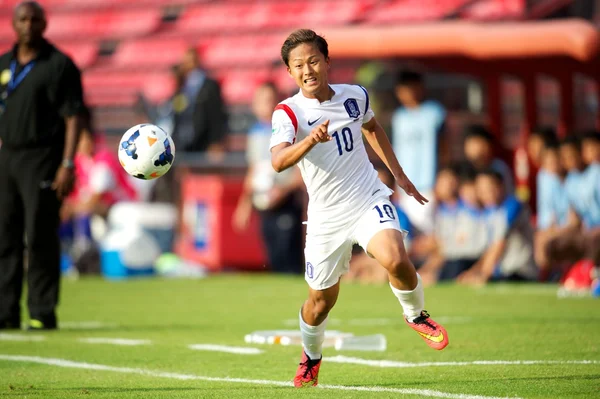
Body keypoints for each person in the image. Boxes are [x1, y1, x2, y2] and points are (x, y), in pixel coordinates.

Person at [269, 29, 449, 388]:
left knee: (396, 257)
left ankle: (415, 315)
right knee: (320, 303)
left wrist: (399, 175)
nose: (308, 70)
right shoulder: (288, 112)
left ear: (327, 61)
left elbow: (372, 128)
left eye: (313, 60)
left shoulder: (355, 95)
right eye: (299, 65)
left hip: (367, 197)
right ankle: (311, 358)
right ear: (290, 72)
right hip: (325, 218)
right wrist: (309, 141)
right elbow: (277, 162)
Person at [0, 1, 84, 330]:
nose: (29, 24)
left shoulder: (59, 64)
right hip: (8, 157)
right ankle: (5, 311)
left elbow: (73, 116)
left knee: (39, 235)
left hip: (43, 157)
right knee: (5, 236)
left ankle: (41, 310)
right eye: (23, 18)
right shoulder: (5, 64)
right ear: (13, 23)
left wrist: (67, 162)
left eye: (35, 19)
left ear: (45, 24)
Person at [233, 82, 305, 274]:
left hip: (287, 201)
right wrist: (245, 204)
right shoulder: (255, 133)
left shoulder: (289, 129)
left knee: (289, 258)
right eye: (260, 100)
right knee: (273, 257)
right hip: (264, 202)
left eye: (269, 100)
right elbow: (254, 169)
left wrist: (282, 191)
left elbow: (301, 169)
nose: (264, 105)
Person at [458, 170, 538, 285]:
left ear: (501, 186)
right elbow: (491, 248)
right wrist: (473, 272)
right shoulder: (491, 212)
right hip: (504, 272)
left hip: (521, 272)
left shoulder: (512, 206)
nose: (486, 194)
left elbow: (499, 244)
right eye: (481, 191)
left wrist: (483, 275)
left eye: (490, 189)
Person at [390, 70, 446, 234]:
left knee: (430, 234)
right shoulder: (398, 117)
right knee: (408, 237)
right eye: (403, 89)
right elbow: (395, 151)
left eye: (411, 88)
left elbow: (444, 147)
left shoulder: (435, 113)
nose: (407, 93)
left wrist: (441, 178)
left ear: (420, 88)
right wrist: (396, 184)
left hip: (428, 185)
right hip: (404, 187)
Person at [171, 48, 228, 156]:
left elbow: (217, 115)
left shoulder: (209, 86)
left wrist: (216, 141)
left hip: (203, 140)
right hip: (182, 141)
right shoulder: (182, 86)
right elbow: (178, 114)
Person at [463, 124, 514, 193]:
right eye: (472, 144)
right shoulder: (463, 170)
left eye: (481, 144)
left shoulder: (499, 167)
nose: (477, 149)